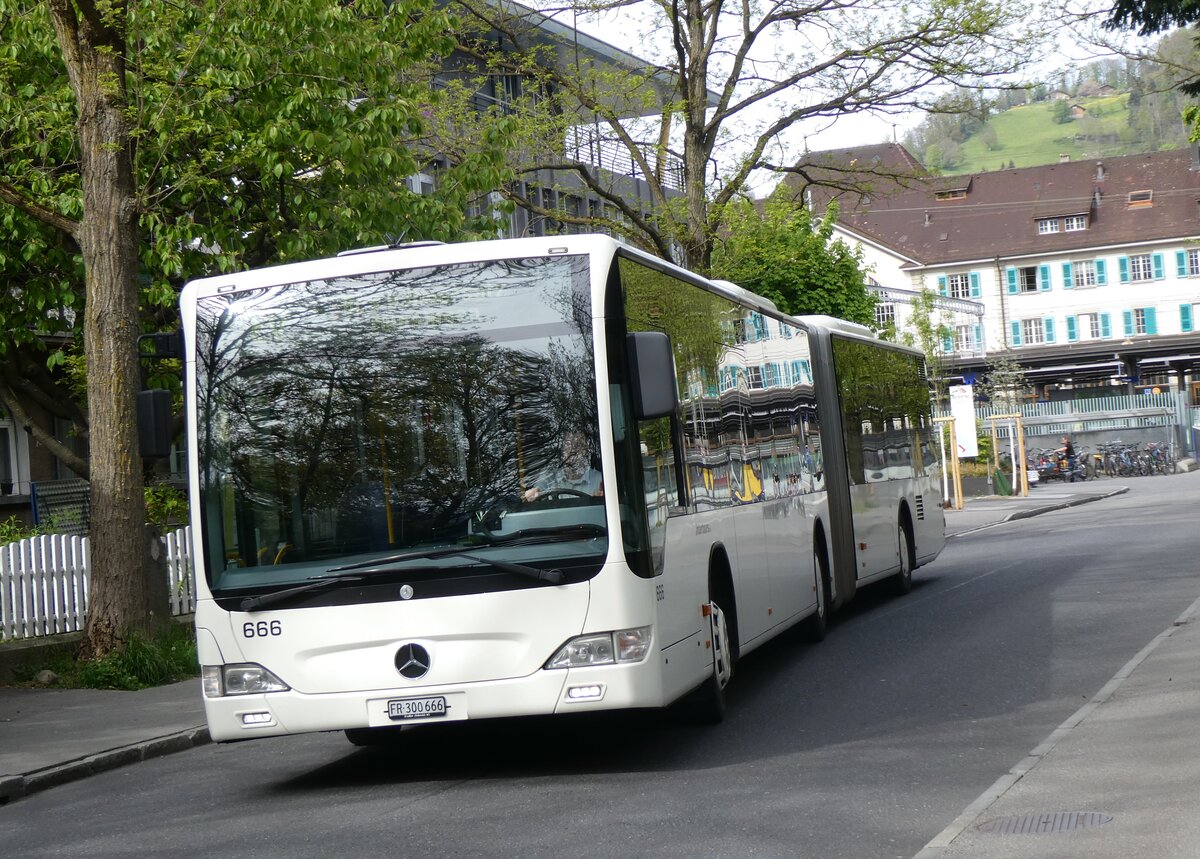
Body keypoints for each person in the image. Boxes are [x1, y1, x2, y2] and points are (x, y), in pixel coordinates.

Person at [523, 430, 603, 501]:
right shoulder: (549, 477)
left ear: (585, 451)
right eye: (568, 445)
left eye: (578, 445)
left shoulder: (600, 479)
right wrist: (531, 495)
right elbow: (535, 494)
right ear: (562, 450)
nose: (572, 450)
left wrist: (599, 502)